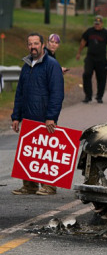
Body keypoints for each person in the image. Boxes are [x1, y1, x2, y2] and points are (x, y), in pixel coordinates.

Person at [11, 33, 64, 196]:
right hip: (27, 115)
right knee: (28, 151)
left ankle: (49, 185)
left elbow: (57, 93)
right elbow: (20, 93)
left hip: (44, 116)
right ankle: (30, 185)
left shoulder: (51, 65)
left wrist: (51, 117)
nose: (33, 47)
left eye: (36, 43)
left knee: (46, 151)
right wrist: (16, 116)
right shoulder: (26, 65)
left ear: (42, 45)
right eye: (30, 44)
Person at [76, 15, 107, 104]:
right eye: (95, 24)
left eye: (98, 24)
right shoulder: (89, 31)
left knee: (101, 78)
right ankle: (88, 95)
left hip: (101, 59)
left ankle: (99, 96)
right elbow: (83, 41)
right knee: (87, 74)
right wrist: (79, 53)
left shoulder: (106, 33)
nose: (97, 25)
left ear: (102, 24)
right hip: (90, 57)